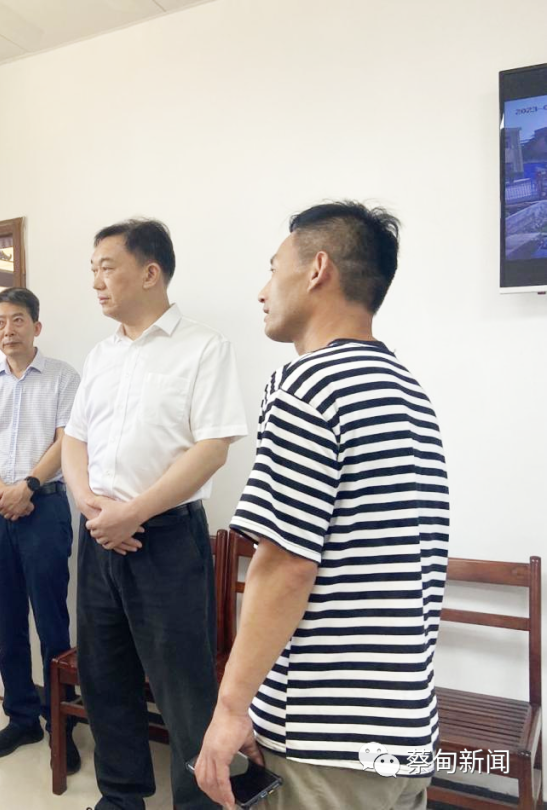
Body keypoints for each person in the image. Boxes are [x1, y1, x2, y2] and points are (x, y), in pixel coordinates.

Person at [194, 202, 449, 810]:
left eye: (273, 267)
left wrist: (230, 708)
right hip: (406, 731)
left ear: (318, 270)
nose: (262, 291)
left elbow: (285, 563)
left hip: (324, 740)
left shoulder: (308, 386)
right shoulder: (409, 392)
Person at [62, 218, 248, 809]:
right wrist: (88, 502)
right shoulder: (102, 354)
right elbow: (74, 439)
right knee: (104, 675)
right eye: (92, 269)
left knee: (183, 686)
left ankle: (199, 802)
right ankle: (120, 797)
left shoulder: (203, 347)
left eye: (106, 267)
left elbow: (213, 448)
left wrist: (132, 513)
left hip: (165, 538)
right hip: (98, 535)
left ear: (150, 272)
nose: (96, 281)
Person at [0, 288, 82, 770]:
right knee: (7, 618)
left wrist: (28, 486)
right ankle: (21, 716)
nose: (7, 329)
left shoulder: (64, 377)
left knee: (52, 621)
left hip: (45, 506)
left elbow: (66, 442)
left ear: (36, 326)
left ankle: (61, 723)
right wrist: (2, 491)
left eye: (17, 320)